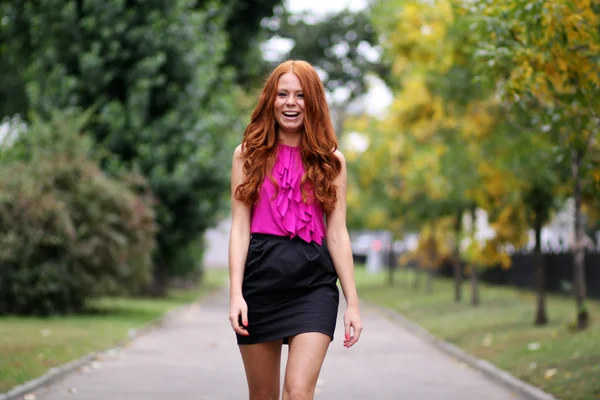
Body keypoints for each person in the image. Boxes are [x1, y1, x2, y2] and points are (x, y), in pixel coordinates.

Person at [228, 59, 363, 400]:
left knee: (299, 392)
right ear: (270, 100)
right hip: (261, 282)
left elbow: (337, 233)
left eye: (301, 95)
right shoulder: (247, 156)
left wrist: (353, 303)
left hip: (313, 285)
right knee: (263, 396)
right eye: (283, 94)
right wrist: (235, 294)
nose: (291, 103)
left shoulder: (332, 162)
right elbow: (240, 228)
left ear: (313, 102)